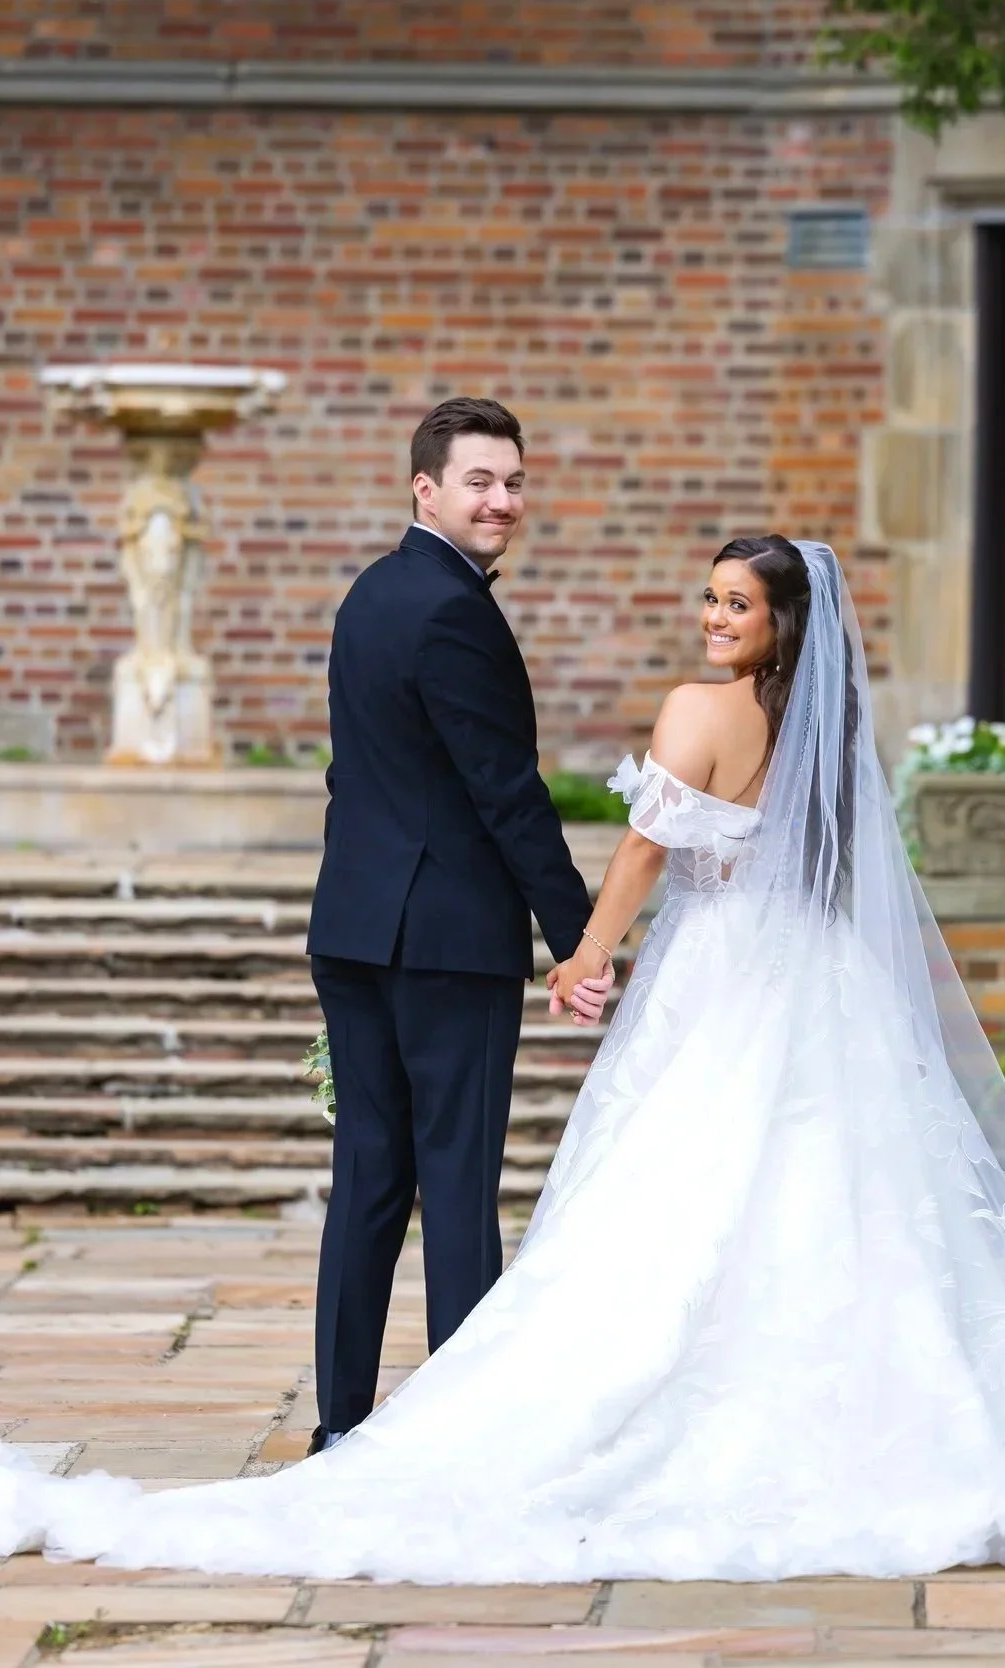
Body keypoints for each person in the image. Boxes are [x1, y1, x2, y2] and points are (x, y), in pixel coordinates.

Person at [0, 535, 1005, 1580]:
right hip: (808, 997)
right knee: (825, 1203)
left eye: (735, 604)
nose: (713, 619)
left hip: (715, 988)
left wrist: (580, 961)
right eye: (707, 600)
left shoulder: (699, 713)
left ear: (781, 626)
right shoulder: (824, 739)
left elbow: (646, 860)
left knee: (676, 1205)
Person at [293, 395, 613, 1456]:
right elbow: (504, 791)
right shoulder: (453, 610)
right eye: (481, 480)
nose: (504, 500)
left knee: (370, 1185)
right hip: (447, 939)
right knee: (461, 1184)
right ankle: (460, 1441)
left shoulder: (370, 594)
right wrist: (579, 939)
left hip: (355, 926)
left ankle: (342, 1426)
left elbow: (360, 773)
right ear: (424, 486)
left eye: (515, 482)